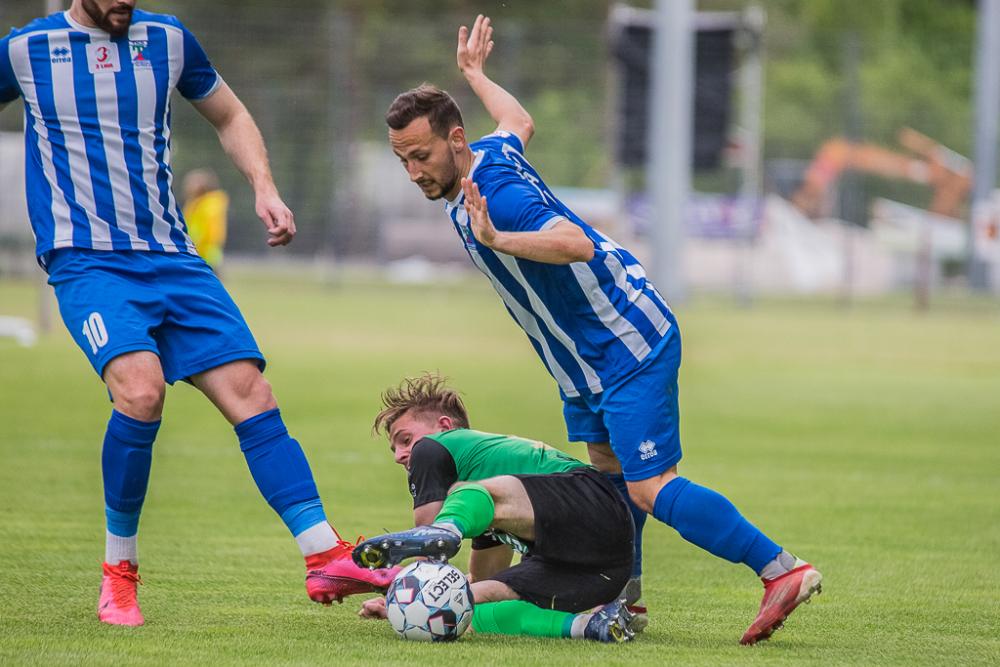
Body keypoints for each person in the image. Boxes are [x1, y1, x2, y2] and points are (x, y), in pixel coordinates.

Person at [383, 15, 823, 645]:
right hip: (584, 363)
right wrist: (476, 74)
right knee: (611, 474)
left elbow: (576, 243)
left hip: (625, 345)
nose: (413, 172)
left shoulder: (495, 197)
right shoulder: (489, 154)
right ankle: (625, 597)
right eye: (403, 160)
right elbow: (518, 121)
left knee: (649, 486)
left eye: (421, 156)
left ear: (455, 141)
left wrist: (499, 238)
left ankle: (781, 569)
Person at [0, 0, 396, 626]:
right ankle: (119, 574)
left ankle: (324, 556)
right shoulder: (25, 51)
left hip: (175, 258)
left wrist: (264, 187)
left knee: (252, 394)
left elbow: (230, 113)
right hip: (89, 262)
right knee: (141, 391)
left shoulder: (168, 39)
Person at [353, 374, 637, 643]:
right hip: (604, 570)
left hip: (592, 499)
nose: (400, 455)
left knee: (464, 494)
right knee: (460, 609)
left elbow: (428, 547)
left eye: (405, 440)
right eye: (395, 449)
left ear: (445, 426)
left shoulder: (433, 448)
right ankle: (591, 626)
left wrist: (425, 547)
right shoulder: (487, 510)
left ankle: (445, 528)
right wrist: (405, 605)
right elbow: (480, 579)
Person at [181, 168, 228, 272]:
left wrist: (196, 243)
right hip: (195, 249)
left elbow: (210, 231)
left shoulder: (210, 204)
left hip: (207, 252)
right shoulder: (194, 203)